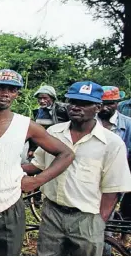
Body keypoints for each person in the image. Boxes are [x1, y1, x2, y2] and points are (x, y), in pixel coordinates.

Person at [0, 69, 75, 256]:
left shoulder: (25, 125)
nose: (5, 94)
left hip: (9, 212)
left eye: (11, 90)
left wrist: (36, 181)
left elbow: (66, 154)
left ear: (17, 94)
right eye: (0, 88)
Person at [26, 81, 131, 256]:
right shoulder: (54, 133)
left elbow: (112, 189)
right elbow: (37, 165)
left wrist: (99, 222)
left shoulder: (112, 143)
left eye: (84, 104)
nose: (76, 107)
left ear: (97, 107)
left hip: (87, 217)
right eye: (73, 102)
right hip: (52, 213)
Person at [97, 86, 131, 253]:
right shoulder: (89, 121)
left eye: (110, 104)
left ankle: (105, 251)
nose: (104, 108)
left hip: (113, 181)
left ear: (117, 103)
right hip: (89, 177)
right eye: (101, 103)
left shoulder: (128, 125)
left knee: (105, 220)